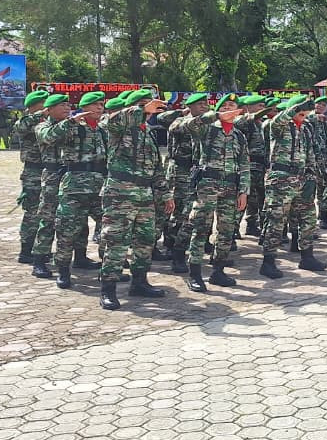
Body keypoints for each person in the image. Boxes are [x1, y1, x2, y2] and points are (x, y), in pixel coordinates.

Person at [96, 89, 171, 309]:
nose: (148, 109)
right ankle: (108, 289)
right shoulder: (116, 127)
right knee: (116, 242)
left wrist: (165, 193)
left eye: (149, 105)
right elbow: (111, 120)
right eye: (142, 105)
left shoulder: (148, 132)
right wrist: (140, 108)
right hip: (120, 193)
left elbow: (156, 168)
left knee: (145, 241)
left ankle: (139, 283)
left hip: (145, 195)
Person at [174, 94, 249, 291]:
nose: (229, 110)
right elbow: (188, 125)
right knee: (200, 227)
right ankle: (195, 274)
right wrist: (214, 116)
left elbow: (244, 164)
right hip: (208, 184)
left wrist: (243, 191)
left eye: (233, 107)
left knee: (226, 231)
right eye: (225, 106)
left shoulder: (238, 135)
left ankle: (218, 270)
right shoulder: (206, 128)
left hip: (231, 187)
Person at [37, 91, 108, 287]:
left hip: (98, 187)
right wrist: (71, 122)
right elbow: (48, 136)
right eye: (95, 105)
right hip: (72, 186)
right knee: (64, 228)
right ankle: (59, 268)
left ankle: (104, 267)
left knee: (106, 228)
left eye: (101, 105)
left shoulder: (101, 130)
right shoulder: (70, 127)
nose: (99, 108)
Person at [259, 94, 327, 274]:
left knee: (308, 218)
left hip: (301, 179)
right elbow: (280, 118)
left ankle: (307, 256)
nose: (303, 113)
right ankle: (268, 261)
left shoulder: (305, 129)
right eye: (300, 110)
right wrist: (297, 107)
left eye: (305, 111)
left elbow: (310, 153)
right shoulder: (279, 126)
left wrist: (312, 176)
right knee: (276, 220)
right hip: (280, 179)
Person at [160, 93, 210, 273]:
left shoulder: (208, 124)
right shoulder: (180, 122)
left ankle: (181, 247)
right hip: (180, 172)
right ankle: (173, 248)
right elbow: (179, 126)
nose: (204, 106)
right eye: (200, 104)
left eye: (206, 103)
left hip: (197, 171)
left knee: (191, 213)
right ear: (190, 106)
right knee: (179, 212)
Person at [28, 95, 70, 279]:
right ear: (50, 109)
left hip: (71, 176)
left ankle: (78, 256)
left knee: (72, 219)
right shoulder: (42, 126)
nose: (67, 108)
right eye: (62, 105)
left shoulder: (73, 124)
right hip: (52, 176)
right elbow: (49, 136)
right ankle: (39, 260)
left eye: (68, 105)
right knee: (48, 219)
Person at [12, 91, 50, 263]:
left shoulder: (47, 123)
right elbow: (21, 127)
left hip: (49, 170)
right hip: (33, 172)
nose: (47, 106)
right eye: (44, 103)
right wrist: (40, 114)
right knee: (33, 212)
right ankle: (26, 250)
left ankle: (40, 248)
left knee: (47, 212)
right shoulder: (25, 121)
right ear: (34, 106)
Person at [236, 94, 270, 242]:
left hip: (261, 166)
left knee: (260, 200)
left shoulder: (260, 124)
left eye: (263, 106)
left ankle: (257, 227)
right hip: (248, 167)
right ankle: (232, 230)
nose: (262, 109)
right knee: (243, 199)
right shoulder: (244, 121)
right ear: (247, 107)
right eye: (259, 105)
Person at [306, 96, 327, 230]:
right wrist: (316, 117)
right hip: (313, 160)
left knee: (325, 187)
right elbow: (306, 119)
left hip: (325, 159)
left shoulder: (324, 122)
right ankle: (321, 216)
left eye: (323, 105)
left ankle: (323, 213)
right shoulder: (311, 118)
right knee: (317, 188)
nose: (320, 107)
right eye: (318, 104)